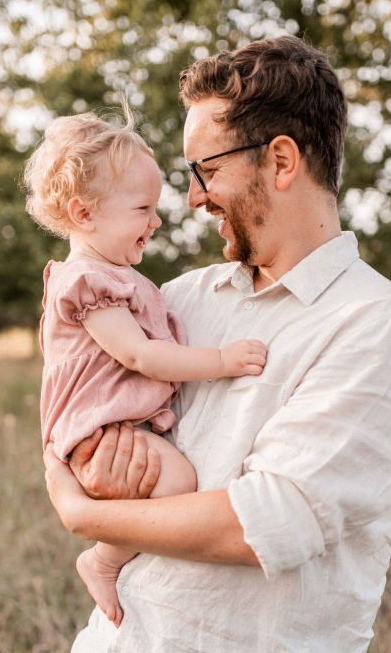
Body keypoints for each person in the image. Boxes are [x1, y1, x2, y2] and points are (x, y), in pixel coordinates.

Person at [43, 35, 391, 653]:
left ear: (282, 161)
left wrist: (87, 516)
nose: (188, 197)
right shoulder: (179, 294)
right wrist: (68, 467)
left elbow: (261, 526)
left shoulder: (373, 324)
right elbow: (74, 400)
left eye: (203, 168)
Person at [23, 112, 267, 625]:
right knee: (177, 480)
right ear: (83, 213)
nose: (156, 222)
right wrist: (221, 362)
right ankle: (103, 559)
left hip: (114, 428)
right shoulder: (88, 283)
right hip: (102, 433)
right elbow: (140, 355)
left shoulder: (112, 276)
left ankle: (107, 555)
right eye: (142, 209)